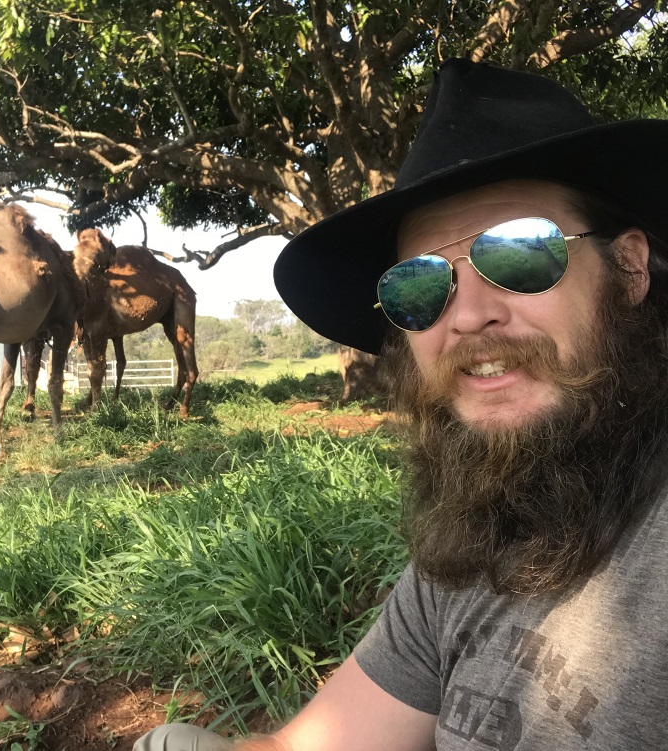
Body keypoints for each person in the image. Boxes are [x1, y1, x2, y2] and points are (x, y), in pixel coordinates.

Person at [135, 57, 668, 750]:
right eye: (420, 285)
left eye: (521, 254)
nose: (468, 315)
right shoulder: (480, 529)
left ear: (628, 268)